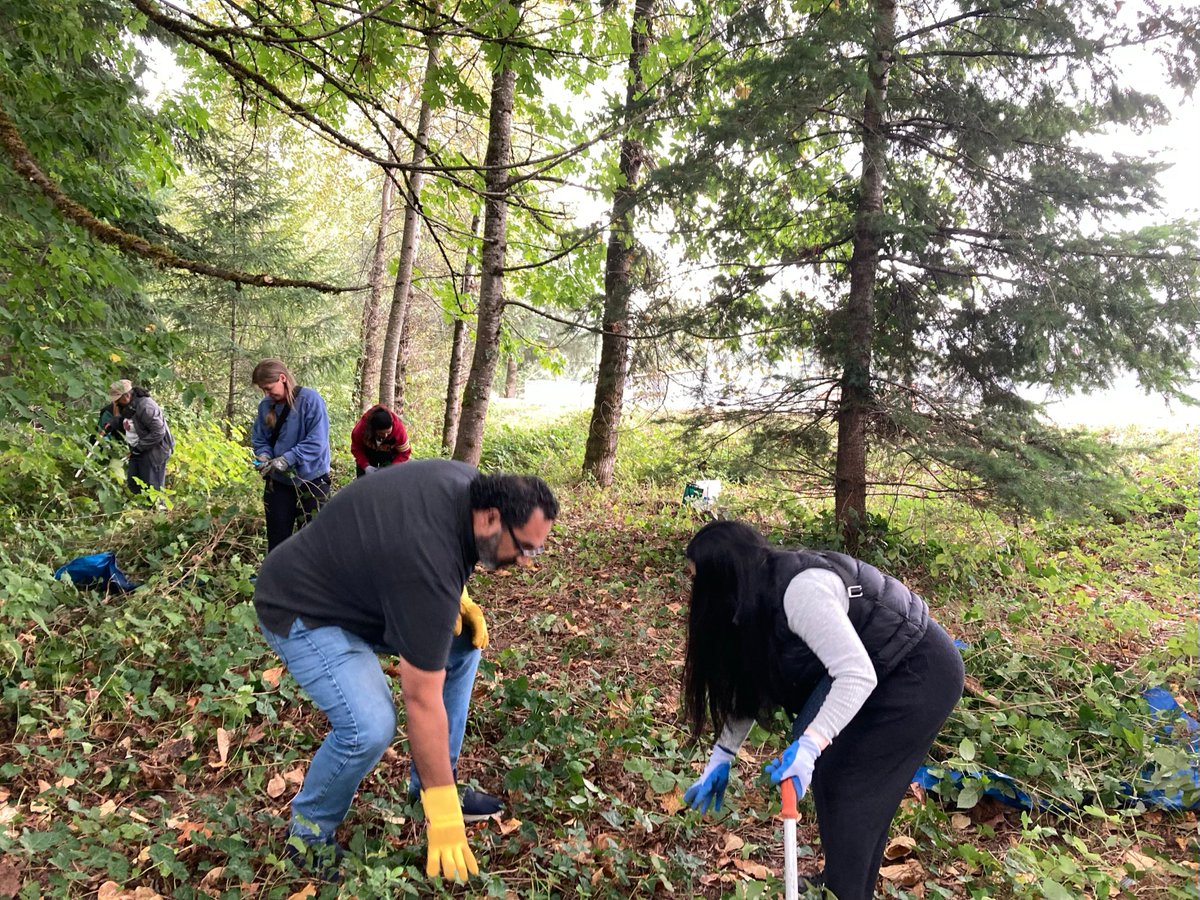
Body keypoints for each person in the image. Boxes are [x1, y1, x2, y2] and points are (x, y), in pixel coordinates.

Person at [253, 459, 558, 882]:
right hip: (301, 608)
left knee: (462, 648)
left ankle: (430, 782)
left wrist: (460, 598)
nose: (526, 562)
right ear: (492, 517)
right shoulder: (427, 564)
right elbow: (422, 699)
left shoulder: (470, 486)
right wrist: (444, 814)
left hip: (364, 594)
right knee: (370, 726)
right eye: (524, 548)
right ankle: (307, 836)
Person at [679, 520, 963, 900]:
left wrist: (812, 745)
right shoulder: (753, 598)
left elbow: (856, 674)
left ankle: (846, 891)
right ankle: (841, 883)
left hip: (917, 669)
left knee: (849, 781)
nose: (692, 590)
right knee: (833, 768)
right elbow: (751, 683)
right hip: (879, 663)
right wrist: (722, 755)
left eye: (696, 579)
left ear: (722, 577)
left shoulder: (800, 593)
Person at [250, 359, 331, 553]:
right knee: (278, 540)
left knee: (314, 541)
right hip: (278, 483)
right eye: (263, 390)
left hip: (312, 481)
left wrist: (288, 459)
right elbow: (260, 439)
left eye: (269, 388)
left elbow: (317, 441)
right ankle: (278, 580)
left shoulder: (310, 400)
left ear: (282, 378)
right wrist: (263, 456)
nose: (267, 394)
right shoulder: (265, 406)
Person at [108, 379, 175, 494]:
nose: (116, 403)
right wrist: (113, 424)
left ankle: (157, 510)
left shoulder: (146, 407)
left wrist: (139, 448)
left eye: (118, 400)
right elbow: (127, 418)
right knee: (134, 484)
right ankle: (140, 510)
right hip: (138, 450)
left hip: (154, 451)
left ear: (126, 396)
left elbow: (158, 432)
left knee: (152, 488)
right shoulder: (129, 405)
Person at [350, 404, 412, 477]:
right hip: (368, 453)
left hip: (390, 455)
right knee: (364, 483)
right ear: (373, 430)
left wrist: (393, 468)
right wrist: (366, 466)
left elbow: (404, 453)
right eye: (382, 433)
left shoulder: (399, 430)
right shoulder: (361, 430)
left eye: (388, 432)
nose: (385, 435)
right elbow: (356, 449)